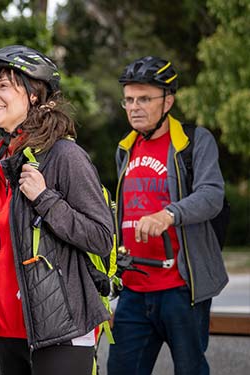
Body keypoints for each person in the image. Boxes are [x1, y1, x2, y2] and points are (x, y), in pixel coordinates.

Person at [0, 45, 114, 375]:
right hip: (8, 328)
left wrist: (45, 198)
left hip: (60, 328)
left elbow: (101, 237)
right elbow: (8, 238)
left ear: (34, 94)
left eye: (4, 85)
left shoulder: (64, 156)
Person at [107, 56, 228, 375]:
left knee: (190, 369)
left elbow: (212, 195)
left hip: (181, 289)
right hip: (134, 288)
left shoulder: (194, 142)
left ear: (168, 101)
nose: (135, 107)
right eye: (129, 100)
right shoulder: (125, 148)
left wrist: (168, 214)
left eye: (145, 98)